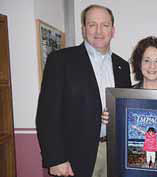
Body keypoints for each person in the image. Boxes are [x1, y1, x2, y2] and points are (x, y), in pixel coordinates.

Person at [36, 4, 131, 177]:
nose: (99, 31)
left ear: (113, 30)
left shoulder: (122, 66)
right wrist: (56, 159)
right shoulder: (61, 60)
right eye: (92, 24)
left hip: (115, 154)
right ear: (83, 29)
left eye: (105, 25)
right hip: (75, 158)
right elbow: (47, 114)